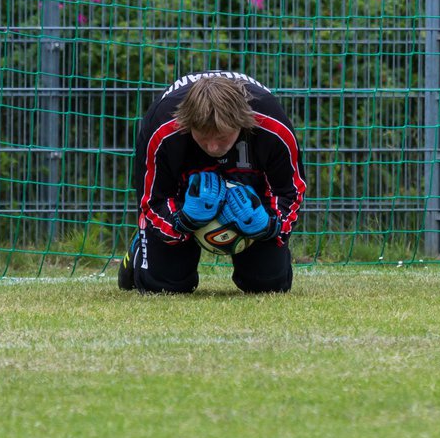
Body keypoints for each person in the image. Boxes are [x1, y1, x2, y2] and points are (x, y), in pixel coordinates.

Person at [118, 72, 307, 295]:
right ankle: (140, 249)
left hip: (251, 185)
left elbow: (290, 191)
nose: (213, 148)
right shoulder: (162, 127)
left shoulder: (272, 125)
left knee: (269, 286)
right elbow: (152, 200)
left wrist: (269, 226)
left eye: (222, 137)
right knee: (163, 287)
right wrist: (183, 221)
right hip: (183, 192)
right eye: (203, 137)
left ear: (241, 123)